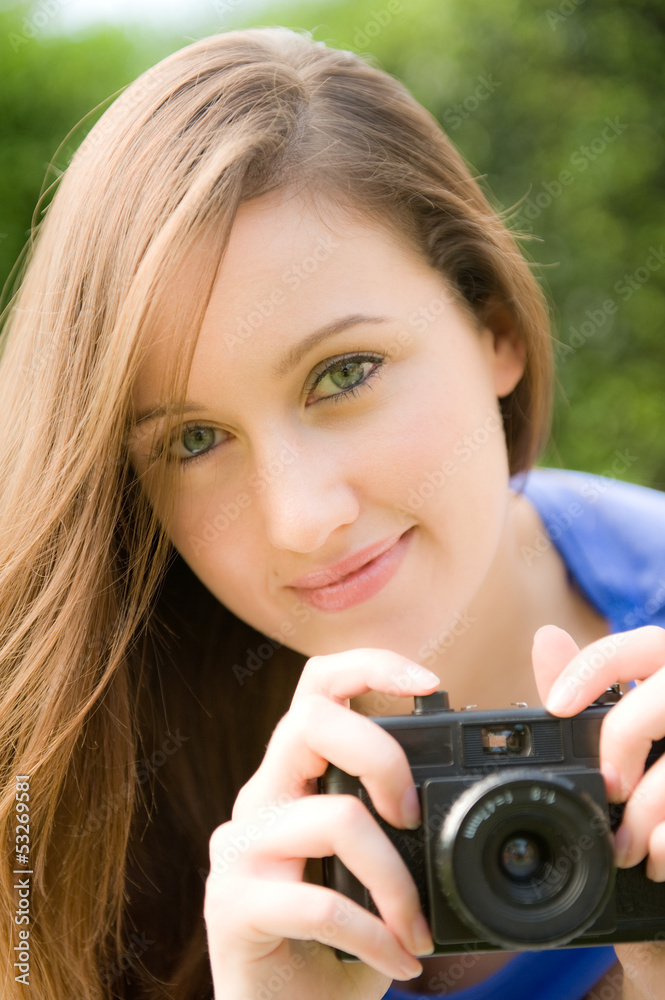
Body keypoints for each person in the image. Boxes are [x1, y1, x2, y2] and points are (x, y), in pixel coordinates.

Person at [1, 24, 664, 1000]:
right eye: (191, 440)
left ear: (494, 328)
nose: (301, 518)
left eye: (342, 373)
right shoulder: (54, 789)